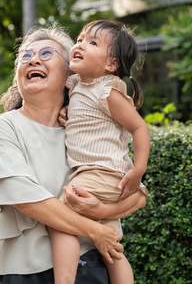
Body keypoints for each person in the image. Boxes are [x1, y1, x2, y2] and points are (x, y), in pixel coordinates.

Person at [0, 24, 147, 284]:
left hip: (91, 267)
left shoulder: (84, 129)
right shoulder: (5, 126)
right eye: (25, 56)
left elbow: (137, 195)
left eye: (47, 54)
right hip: (27, 272)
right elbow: (24, 198)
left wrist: (101, 208)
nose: (33, 59)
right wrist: (95, 229)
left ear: (71, 71)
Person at [48, 20, 150, 284]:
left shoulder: (107, 91)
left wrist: (138, 170)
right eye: (80, 39)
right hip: (100, 176)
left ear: (111, 65)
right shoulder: (76, 85)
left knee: (59, 218)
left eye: (92, 42)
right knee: (111, 248)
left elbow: (139, 128)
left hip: (100, 173)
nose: (80, 44)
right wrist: (66, 110)